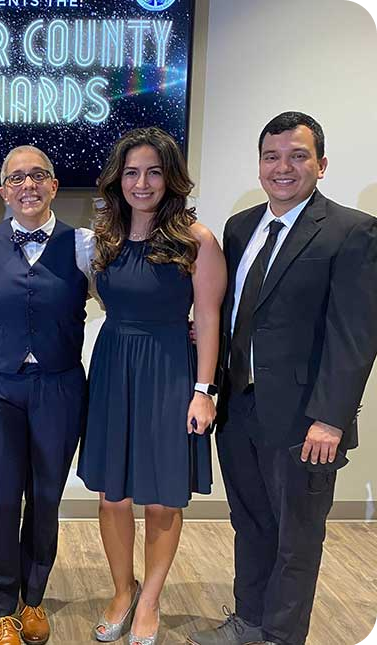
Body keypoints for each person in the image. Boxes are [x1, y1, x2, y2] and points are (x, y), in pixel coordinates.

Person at [188, 111, 377, 645]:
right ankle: (249, 621)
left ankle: (280, 636)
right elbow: (231, 313)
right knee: (249, 523)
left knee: (297, 538)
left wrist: (331, 421)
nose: (283, 167)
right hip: (240, 409)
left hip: (305, 421)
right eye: (272, 157)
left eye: (298, 156)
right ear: (260, 164)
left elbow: (355, 337)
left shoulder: (351, 231)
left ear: (321, 164)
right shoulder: (241, 226)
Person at [77, 127, 226, 645]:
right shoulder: (104, 237)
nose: (142, 183)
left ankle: (152, 600)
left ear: (171, 178)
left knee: (163, 497)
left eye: (154, 171)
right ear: (118, 178)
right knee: (112, 495)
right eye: (132, 172)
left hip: (169, 372)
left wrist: (203, 390)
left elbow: (207, 318)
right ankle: (123, 590)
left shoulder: (196, 239)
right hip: (114, 365)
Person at [0, 145, 95, 645]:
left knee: (44, 497)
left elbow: (122, 298)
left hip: (59, 386)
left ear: (54, 186)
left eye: (38, 175)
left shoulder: (83, 245)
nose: (28, 185)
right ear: (3, 191)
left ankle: (32, 598)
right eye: (16, 178)